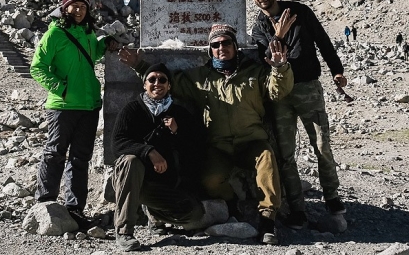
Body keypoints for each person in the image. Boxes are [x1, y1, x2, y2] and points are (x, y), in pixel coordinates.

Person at [119, 24, 292, 245]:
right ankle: (231, 205)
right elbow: (167, 82)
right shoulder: (200, 78)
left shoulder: (254, 72)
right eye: (216, 44)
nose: (221, 48)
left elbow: (277, 91)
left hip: (251, 141)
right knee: (210, 180)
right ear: (210, 50)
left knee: (267, 160)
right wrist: (139, 65)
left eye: (226, 43)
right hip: (218, 145)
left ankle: (268, 221)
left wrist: (280, 68)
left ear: (235, 46)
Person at [248, 0, 347, 231]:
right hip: (280, 94)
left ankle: (332, 198)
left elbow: (322, 40)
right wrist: (278, 35)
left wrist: (337, 70)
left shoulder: (300, 12)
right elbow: (266, 60)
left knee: (322, 144)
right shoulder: (259, 27)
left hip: (308, 88)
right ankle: (298, 209)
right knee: (285, 154)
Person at [30, 0, 119, 230]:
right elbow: (37, 67)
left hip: (89, 105)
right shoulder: (54, 33)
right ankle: (46, 202)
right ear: (64, 7)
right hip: (63, 106)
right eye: (74, 6)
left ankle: (75, 208)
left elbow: (92, 55)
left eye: (82, 6)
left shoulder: (89, 32)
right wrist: (61, 88)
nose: (78, 10)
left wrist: (105, 43)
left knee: (81, 158)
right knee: (55, 152)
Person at [111, 63, 206, 251]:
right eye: (152, 79)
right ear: (144, 85)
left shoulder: (179, 113)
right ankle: (124, 231)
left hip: (161, 186)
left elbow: (195, 150)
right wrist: (149, 152)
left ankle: (154, 213)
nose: (157, 83)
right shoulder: (132, 110)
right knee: (131, 161)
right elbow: (118, 144)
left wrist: (177, 132)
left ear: (169, 86)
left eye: (162, 79)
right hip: (131, 179)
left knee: (195, 213)